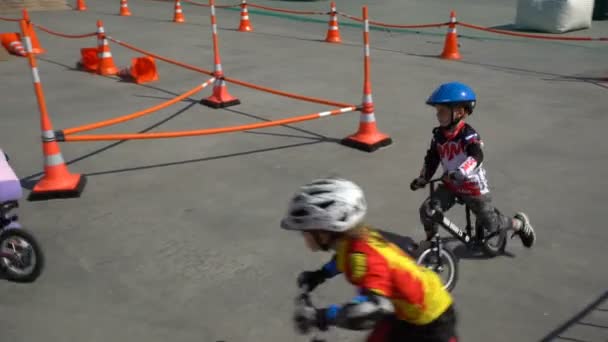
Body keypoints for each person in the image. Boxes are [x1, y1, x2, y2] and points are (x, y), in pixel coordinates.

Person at [281, 177, 458, 342]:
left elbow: (369, 310)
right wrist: (320, 275)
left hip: (432, 319)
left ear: (323, 233)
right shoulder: (353, 241)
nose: (304, 237)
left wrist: (320, 317)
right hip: (404, 306)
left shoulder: (364, 257)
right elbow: (341, 261)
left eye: (305, 232)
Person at [410, 82, 536, 248]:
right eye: (437, 111)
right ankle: (432, 243)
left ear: (460, 112)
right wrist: (423, 178)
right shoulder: (438, 135)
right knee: (428, 210)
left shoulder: (468, 135)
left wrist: (461, 171)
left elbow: (477, 155)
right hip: (451, 183)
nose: (438, 115)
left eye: (442, 111)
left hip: (473, 186)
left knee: (491, 223)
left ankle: (518, 224)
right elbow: (432, 158)